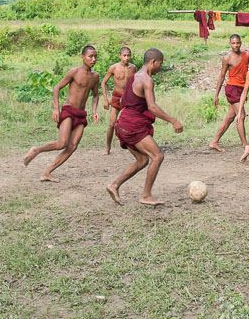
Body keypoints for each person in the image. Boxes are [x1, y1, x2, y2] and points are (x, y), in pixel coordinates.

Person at [107, 48, 183, 206]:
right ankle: (146, 195)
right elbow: (152, 107)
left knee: (142, 160)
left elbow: (123, 102)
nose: (160, 68)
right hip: (132, 125)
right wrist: (173, 120)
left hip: (122, 123)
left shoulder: (134, 75)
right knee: (157, 156)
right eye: (160, 64)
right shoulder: (147, 80)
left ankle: (114, 185)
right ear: (153, 62)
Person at [23, 45, 101, 181]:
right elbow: (57, 87)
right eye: (90, 56)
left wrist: (94, 111)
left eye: (95, 56)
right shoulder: (74, 72)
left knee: (72, 146)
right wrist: (55, 108)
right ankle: (37, 150)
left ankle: (47, 172)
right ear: (83, 57)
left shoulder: (95, 76)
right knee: (62, 143)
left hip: (81, 114)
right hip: (69, 111)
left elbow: (95, 95)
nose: (93, 59)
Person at [208, 34, 249, 152]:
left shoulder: (246, 56)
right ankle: (245, 145)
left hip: (242, 90)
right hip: (232, 89)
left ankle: (214, 141)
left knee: (230, 117)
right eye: (233, 43)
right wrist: (216, 95)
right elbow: (221, 76)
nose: (236, 45)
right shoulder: (227, 59)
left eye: (238, 43)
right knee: (240, 116)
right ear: (229, 44)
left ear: (241, 43)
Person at [100, 46, 137, 155]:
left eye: (128, 55)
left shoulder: (133, 68)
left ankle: (134, 146)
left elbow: (136, 82)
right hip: (116, 97)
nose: (126, 58)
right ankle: (107, 148)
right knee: (112, 124)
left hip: (128, 98)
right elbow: (103, 83)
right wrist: (105, 100)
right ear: (119, 56)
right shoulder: (114, 68)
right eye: (124, 55)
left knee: (131, 123)